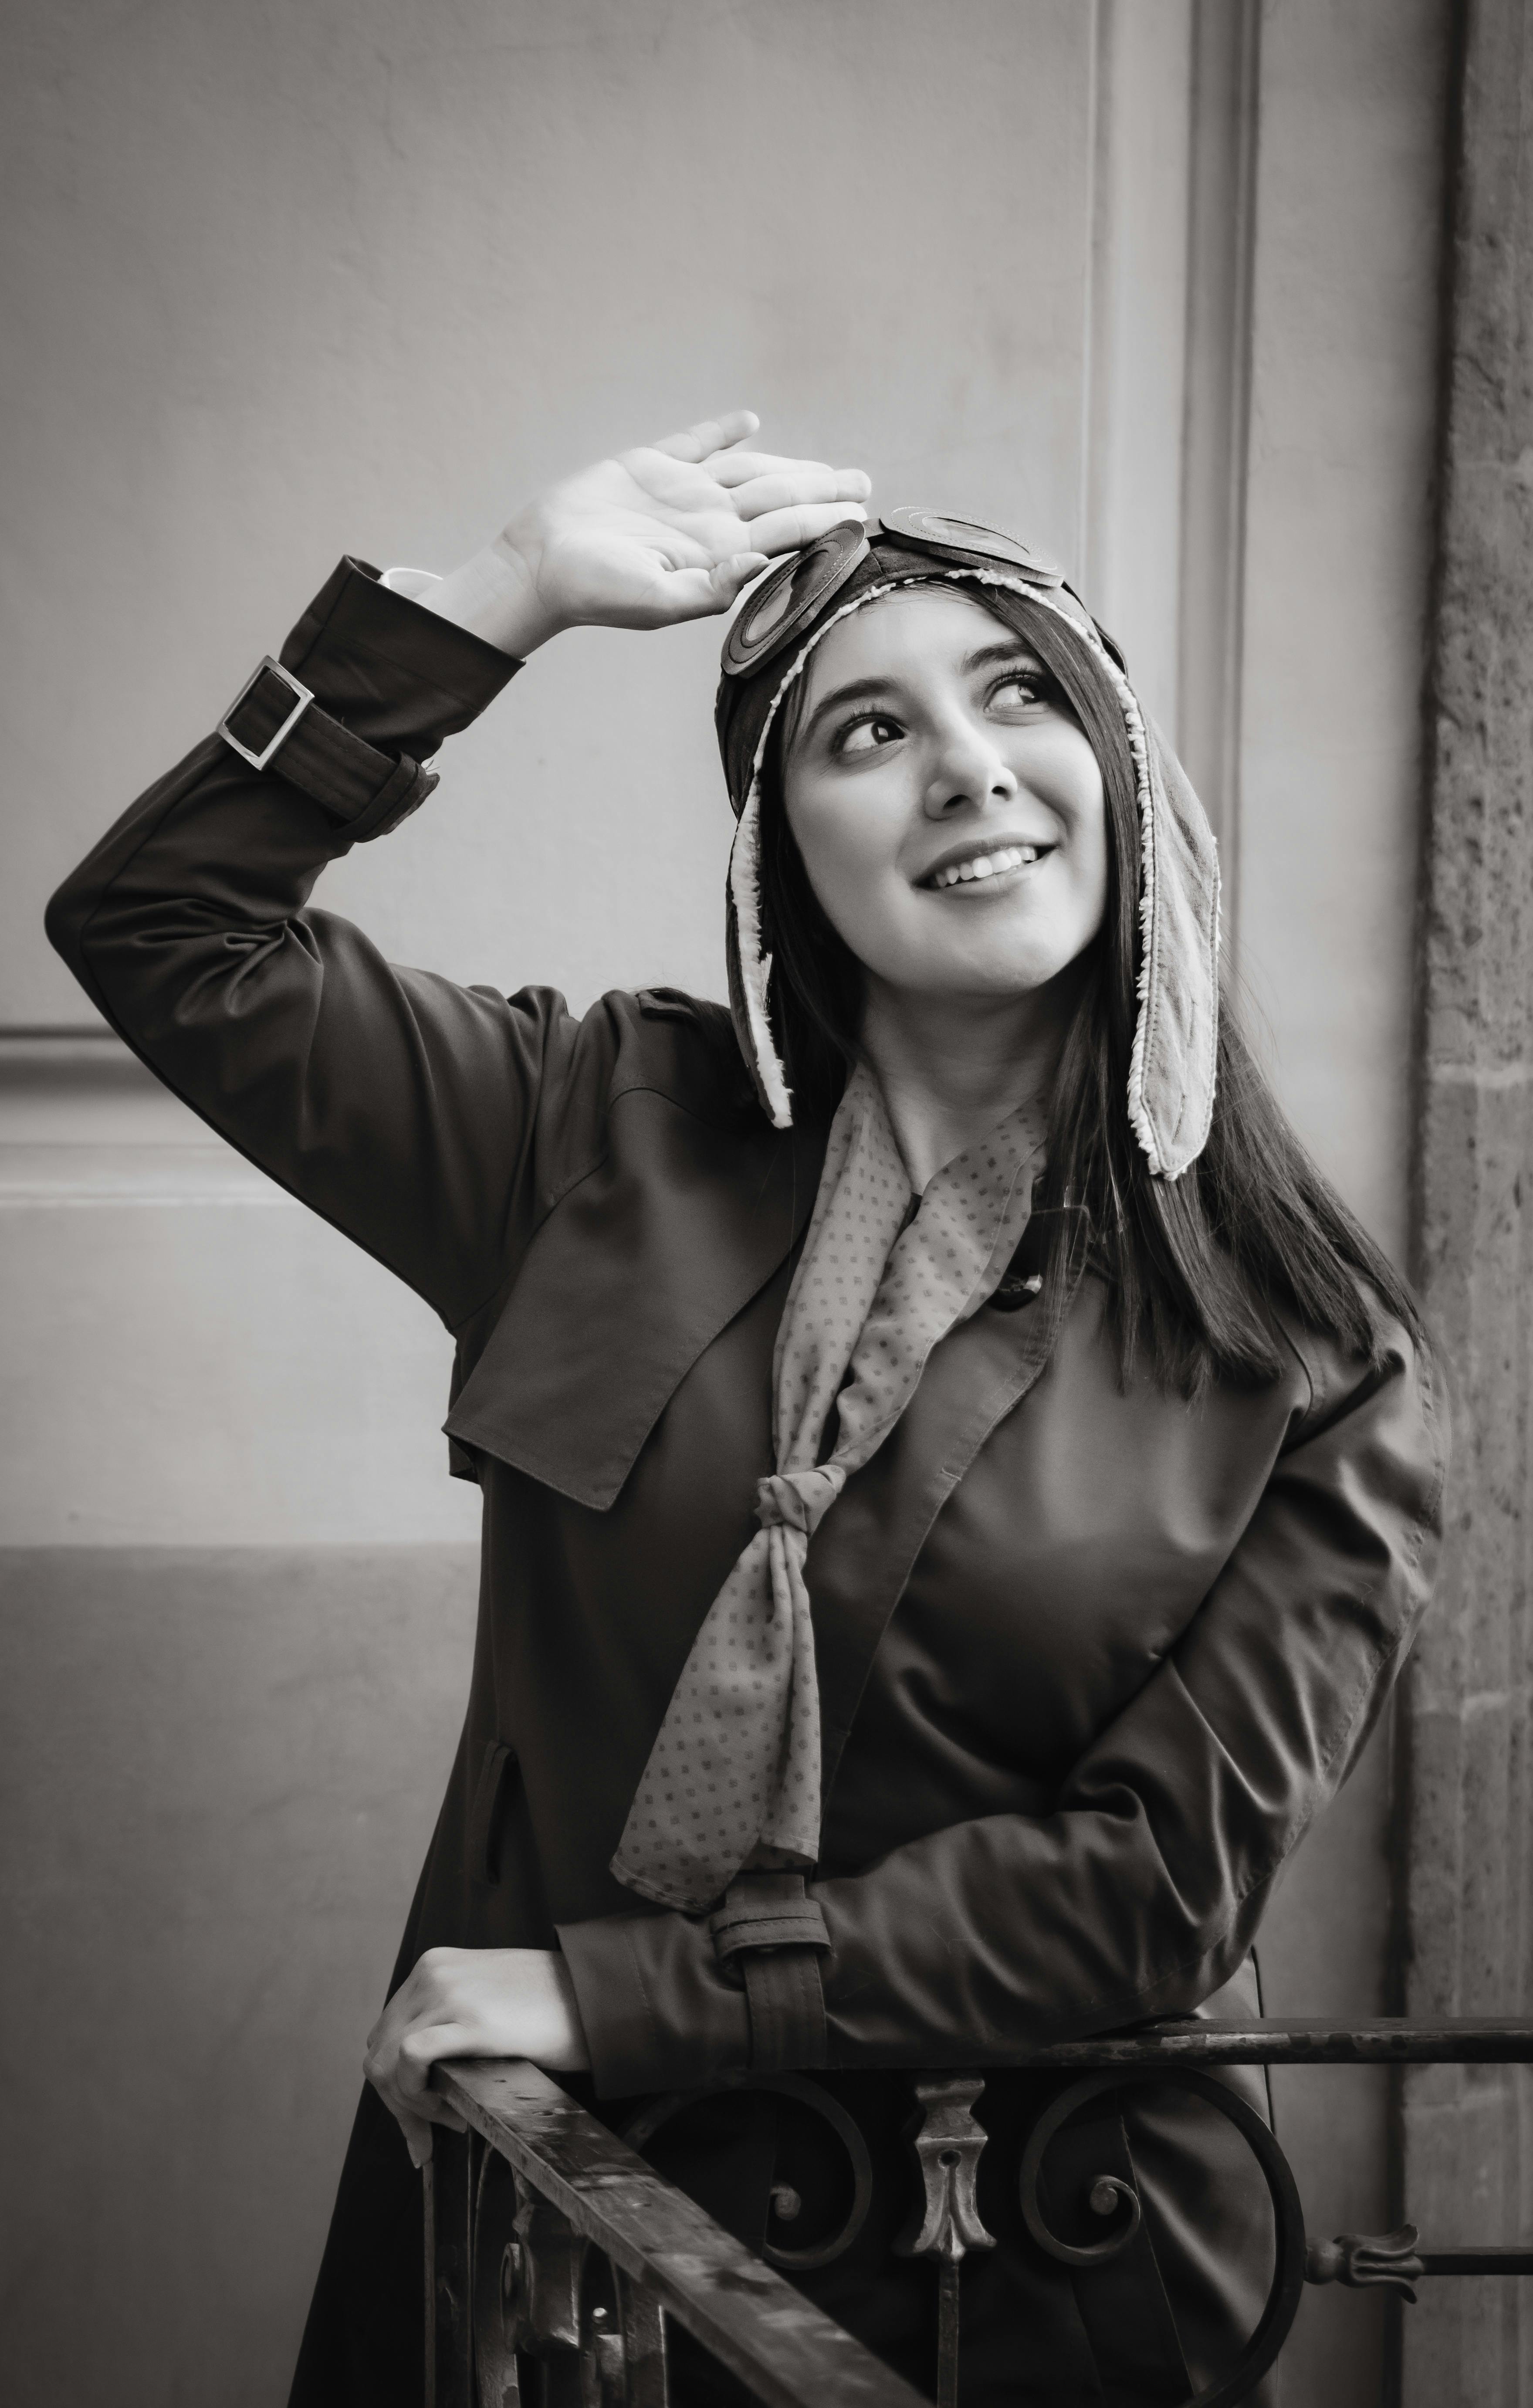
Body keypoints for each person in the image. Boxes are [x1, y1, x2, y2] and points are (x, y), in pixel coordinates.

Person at [47, 412, 1446, 2407]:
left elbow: (1144, 1898)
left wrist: (618, 1995)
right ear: (777, 846)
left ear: (1118, 770)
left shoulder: (1310, 1351)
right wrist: (502, 593)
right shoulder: (587, 1133)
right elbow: (161, 930)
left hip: (1035, 2276)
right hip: (565, 2256)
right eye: (861, 731)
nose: (965, 762)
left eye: (1020, 693)